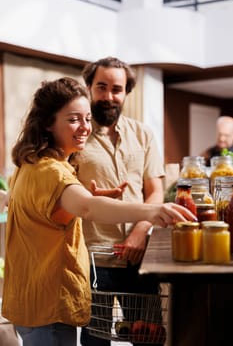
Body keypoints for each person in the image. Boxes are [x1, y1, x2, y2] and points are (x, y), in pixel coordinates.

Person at [1, 77, 196, 346]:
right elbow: (88, 208)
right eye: (73, 119)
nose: (84, 127)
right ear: (48, 123)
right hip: (50, 308)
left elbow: (33, 205)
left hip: (29, 301)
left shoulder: (29, 163)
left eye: (86, 118)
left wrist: (83, 197)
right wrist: (151, 211)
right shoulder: (53, 172)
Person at [67, 56, 167, 346]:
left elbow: (155, 192)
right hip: (94, 259)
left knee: (148, 338)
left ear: (126, 92)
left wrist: (139, 231)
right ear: (88, 88)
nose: (109, 96)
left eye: (117, 89)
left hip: (140, 259)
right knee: (94, 341)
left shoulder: (143, 134)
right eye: (101, 87)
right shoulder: (76, 138)